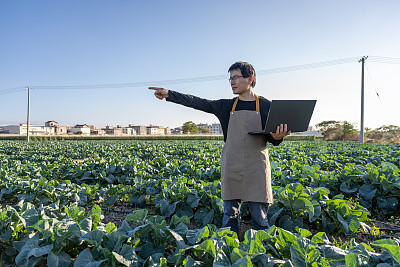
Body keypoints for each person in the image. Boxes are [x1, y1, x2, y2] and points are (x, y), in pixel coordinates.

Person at [148, 61, 290, 236]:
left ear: (250, 78)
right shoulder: (226, 106)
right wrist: (170, 94)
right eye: (230, 79)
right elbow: (197, 102)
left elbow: (271, 138)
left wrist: (277, 136)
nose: (232, 82)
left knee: (260, 220)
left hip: (256, 168)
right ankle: (230, 254)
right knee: (229, 218)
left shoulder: (267, 106)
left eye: (236, 77)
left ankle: (260, 256)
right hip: (232, 166)